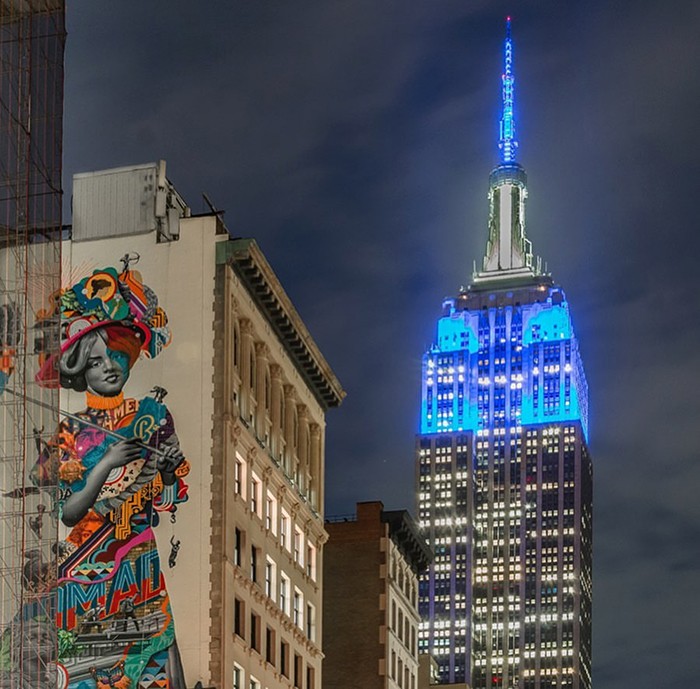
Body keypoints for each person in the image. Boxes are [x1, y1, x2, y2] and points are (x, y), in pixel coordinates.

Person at [30, 265, 188, 689]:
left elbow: (168, 495)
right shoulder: (69, 431)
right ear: (79, 369)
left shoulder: (151, 416)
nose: (110, 367)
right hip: (85, 569)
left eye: (116, 354)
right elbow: (69, 513)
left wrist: (169, 466)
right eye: (95, 360)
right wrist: (106, 463)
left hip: (137, 561)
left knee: (151, 668)